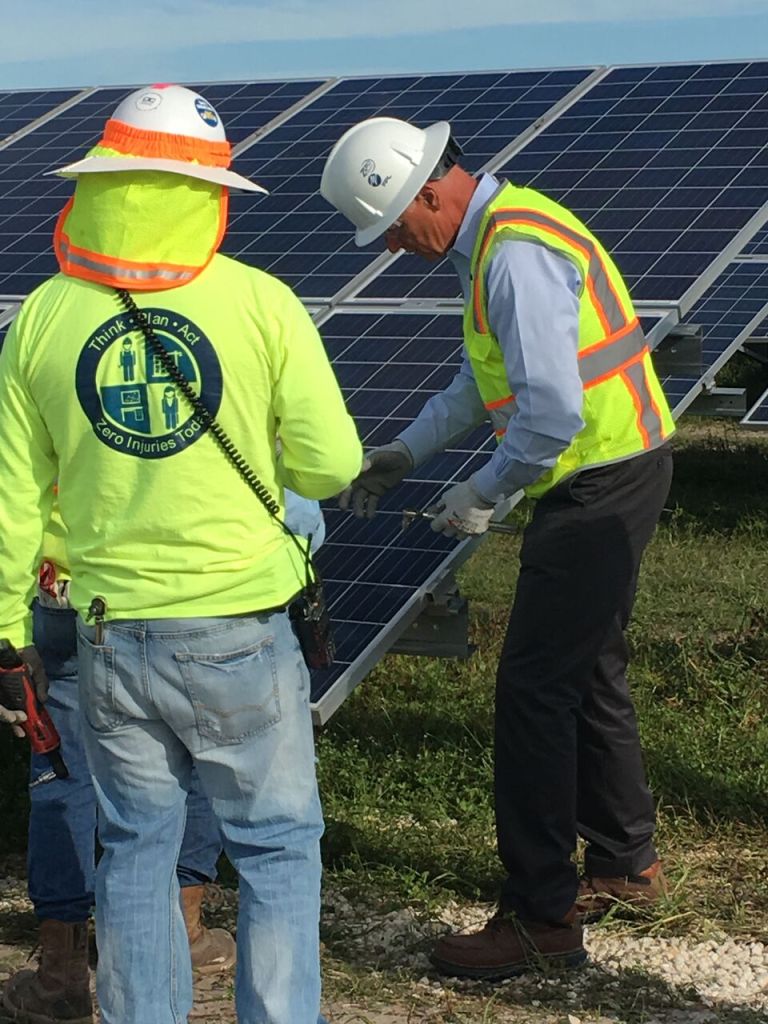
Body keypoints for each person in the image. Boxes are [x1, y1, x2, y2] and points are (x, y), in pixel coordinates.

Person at [0, 83, 362, 1024]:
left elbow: (8, 500)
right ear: (209, 194)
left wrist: (7, 637)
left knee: (133, 847)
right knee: (277, 846)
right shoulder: (259, 302)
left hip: (109, 634)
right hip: (240, 629)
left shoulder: (39, 318)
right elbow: (333, 461)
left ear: (104, 185)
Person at [320, 117, 675, 979]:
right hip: (618, 465)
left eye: (400, 227)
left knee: (532, 693)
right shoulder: (503, 235)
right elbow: (486, 382)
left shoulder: (512, 253)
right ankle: (626, 862)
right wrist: (407, 451)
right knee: (587, 668)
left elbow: (549, 412)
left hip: (596, 479)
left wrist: (487, 490)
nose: (399, 248)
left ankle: (540, 915)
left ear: (434, 192)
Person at [2, 489, 325, 1024]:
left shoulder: (43, 397)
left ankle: (62, 969)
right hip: (198, 592)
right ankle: (189, 925)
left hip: (69, 590)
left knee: (104, 812)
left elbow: (14, 490)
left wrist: (6, 622)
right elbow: (323, 468)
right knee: (264, 834)